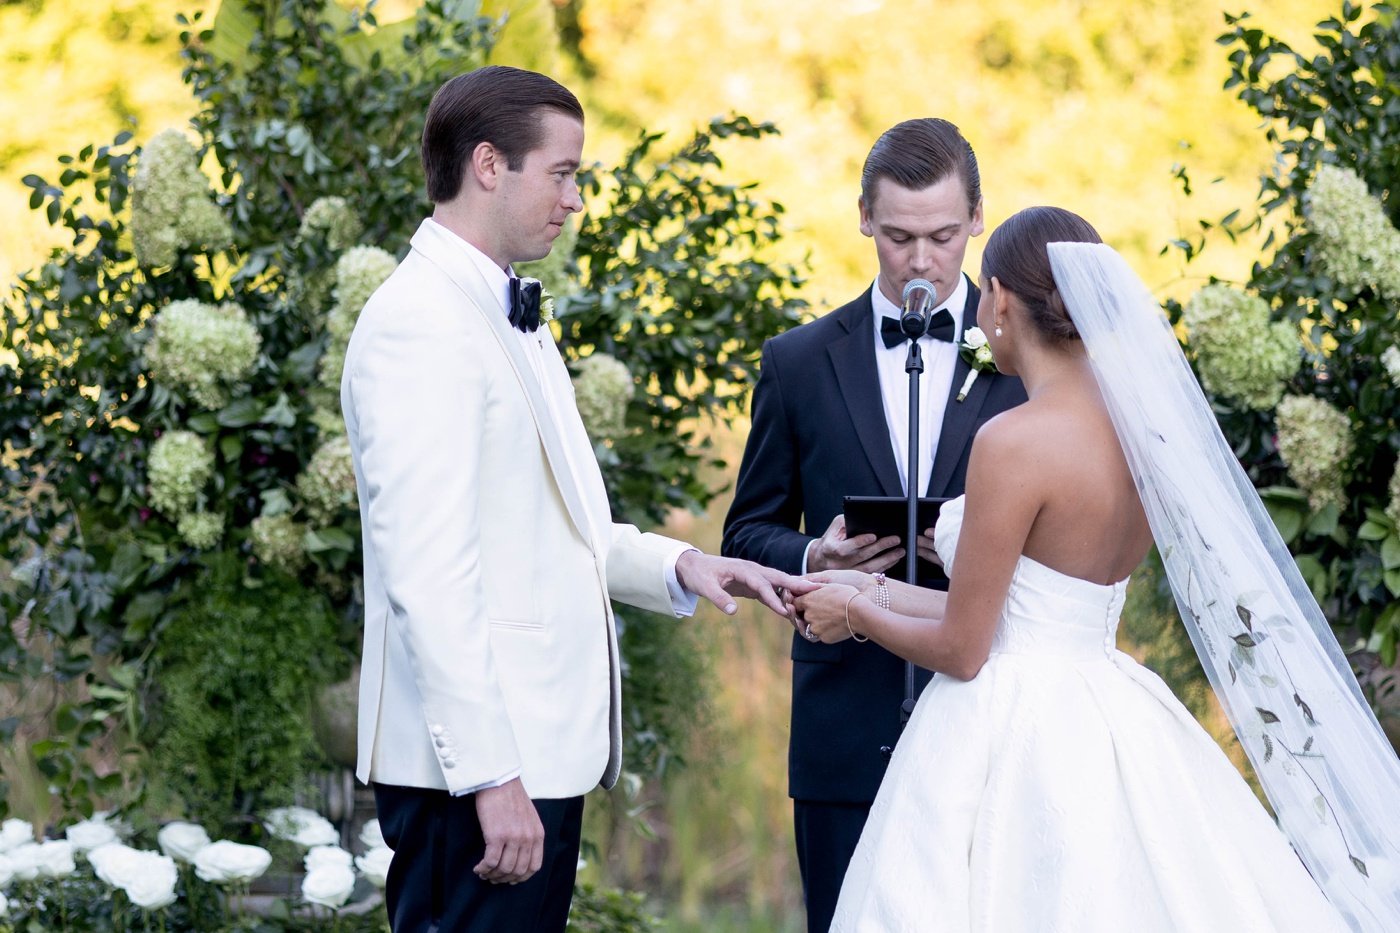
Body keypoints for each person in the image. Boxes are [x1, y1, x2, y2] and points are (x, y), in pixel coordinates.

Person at [792, 206, 1400, 930]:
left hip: (1009, 732)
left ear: (1003, 301)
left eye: (985, 293)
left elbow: (966, 647)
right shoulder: (1145, 432)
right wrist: (871, 585)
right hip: (1110, 706)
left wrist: (854, 616)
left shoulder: (1013, 442)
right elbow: (1028, 609)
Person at [341, 65, 806, 933]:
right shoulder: (421, 324)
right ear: (488, 164)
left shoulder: (506, 312)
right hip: (475, 773)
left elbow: (564, 529)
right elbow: (428, 573)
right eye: (563, 173)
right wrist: (490, 775)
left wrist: (689, 563)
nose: (576, 199)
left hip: (531, 760)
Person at [721, 118, 1026, 932]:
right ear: (863, 218)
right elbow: (747, 531)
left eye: (940, 236)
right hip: (843, 733)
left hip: (991, 723)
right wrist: (818, 551)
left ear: (976, 220)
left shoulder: (1027, 362)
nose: (921, 261)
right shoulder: (797, 360)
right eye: (897, 237)